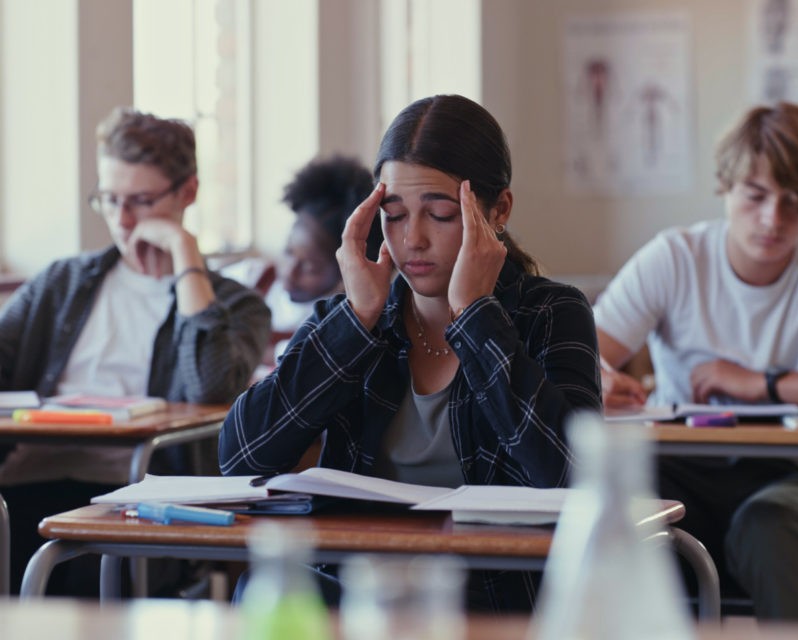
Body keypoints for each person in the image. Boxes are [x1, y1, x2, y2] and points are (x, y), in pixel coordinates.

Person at [219, 94, 602, 610]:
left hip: (491, 598)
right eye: (394, 215)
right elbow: (240, 456)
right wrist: (357, 321)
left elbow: (572, 476)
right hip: (359, 591)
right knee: (264, 594)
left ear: (499, 210)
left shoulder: (552, 312)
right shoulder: (354, 318)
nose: (413, 239)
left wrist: (475, 315)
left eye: (440, 215)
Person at [593, 101, 798, 620]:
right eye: (757, 195)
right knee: (615, 506)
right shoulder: (675, 258)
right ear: (726, 185)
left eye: (795, 201)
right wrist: (597, 378)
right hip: (686, 472)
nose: (773, 219)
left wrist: (765, 384)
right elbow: (580, 359)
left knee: (772, 526)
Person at [0, 106, 271, 594]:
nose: (122, 221)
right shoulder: (64, 282)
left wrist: (185, 256)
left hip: (140, 492)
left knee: (79, 571)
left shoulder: (236, 304)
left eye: (141, 201)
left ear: (187, 193)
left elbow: (212, 386)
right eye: (109, 199)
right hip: (26, 478)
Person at [223, 155, 382, 365]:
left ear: (343, 273)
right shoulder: (252, 277)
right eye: (289, 252)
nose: (290, 271)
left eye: (310, 267)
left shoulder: (338, 320)